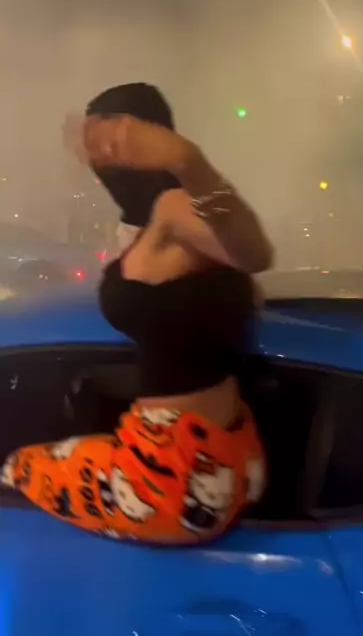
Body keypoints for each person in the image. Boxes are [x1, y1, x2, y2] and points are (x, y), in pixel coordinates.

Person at [2, 83, 273, 543]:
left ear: (152, 135)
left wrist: (188, 160)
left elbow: (253, 252)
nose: (103, 161)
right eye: (95, 147)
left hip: (167, 479)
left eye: (117, 141)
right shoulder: (154, 221)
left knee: (15, 467)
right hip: (221, 455)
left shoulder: (175, 207)